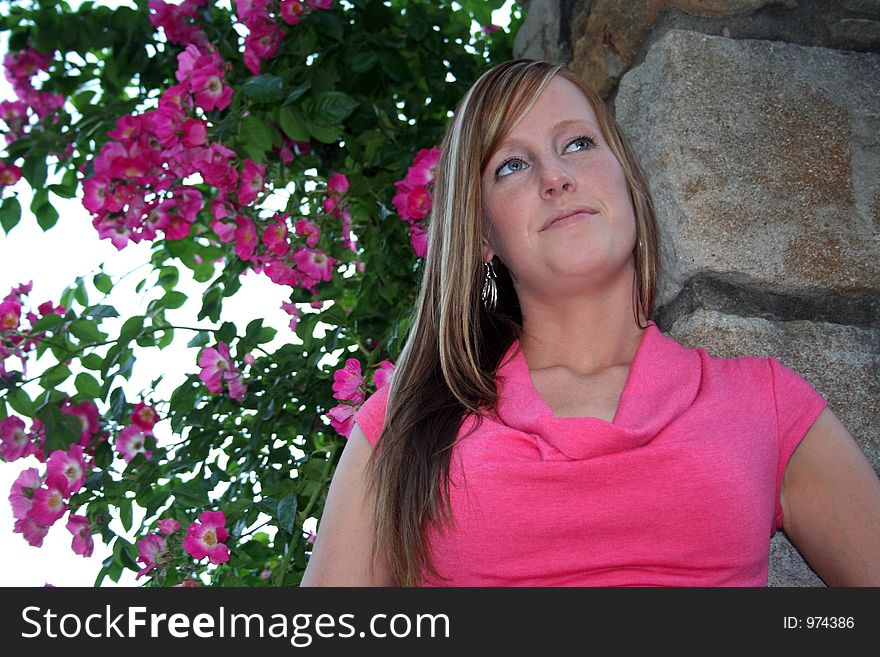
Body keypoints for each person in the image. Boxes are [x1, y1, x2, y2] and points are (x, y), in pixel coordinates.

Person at [301, 59, 880, 587]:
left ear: (626, 180)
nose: (554, 177)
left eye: (578, 143)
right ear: (481, 236)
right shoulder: (404, 423)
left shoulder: (769, 405)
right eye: (512, 165)